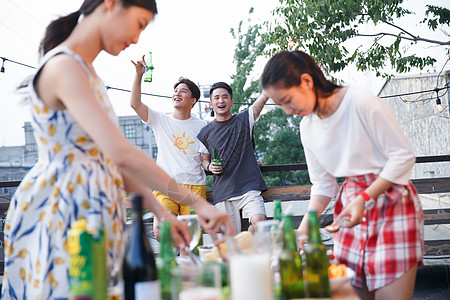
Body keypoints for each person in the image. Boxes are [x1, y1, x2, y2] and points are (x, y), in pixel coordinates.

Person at [1, 0, 232, 298]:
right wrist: (199, 203)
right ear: (111, 4)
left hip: (95, 213)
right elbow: (120, 152)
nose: (136, 38)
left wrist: (163, 214)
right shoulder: (63, 66)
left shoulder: (89, 75)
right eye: (138, 24)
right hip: (63, 213)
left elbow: (115, 163)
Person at [261, 50, 424, 300]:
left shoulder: (360, 101)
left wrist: (364, 198)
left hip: (391, 202)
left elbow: (402, 156)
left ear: (306, 81)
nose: (286, 111)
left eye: (286, 100)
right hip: (351, 205)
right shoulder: (307, 127)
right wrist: (304, 229)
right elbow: (323, 186)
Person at [129, 56, 208, 239]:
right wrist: (138, 75)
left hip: (194, 187)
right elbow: (135, 104)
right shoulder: (160, 120)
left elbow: (206, 158)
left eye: (183, 91)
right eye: (176, 91)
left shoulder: (203, 126)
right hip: (166, 185)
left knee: (191, 239)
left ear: (193, 100)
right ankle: (172, 263)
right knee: (162, 233)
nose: (177, 94)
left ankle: (185, 265)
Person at [197, 82, 269, 233]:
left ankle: (248, 239)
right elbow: (204, 159)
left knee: (260, 223)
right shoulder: (205, 132)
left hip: (249, 187)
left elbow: (260, 102)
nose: (221, 101)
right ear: (211, 103)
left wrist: (269, 88)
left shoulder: (244, 119)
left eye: (225, 97)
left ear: (231, 101)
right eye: (216, 98)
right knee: (230, 240)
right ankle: (243, 250)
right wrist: (209, 166)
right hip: (224, 191)